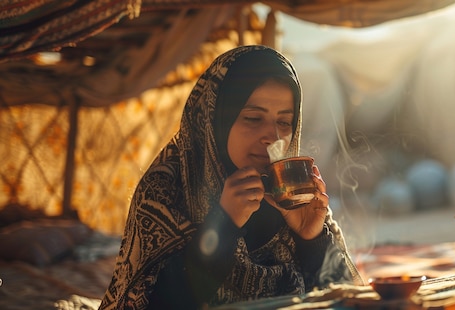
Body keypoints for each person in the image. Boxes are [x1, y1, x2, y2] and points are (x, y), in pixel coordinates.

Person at [98, 45, 364, 310]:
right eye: (252, 118)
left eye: (284, 122)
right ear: (216, 121)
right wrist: (223, 226)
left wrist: (312, 239)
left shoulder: (294, 194)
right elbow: (144, 303)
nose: (271, 137)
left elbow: (348, 300)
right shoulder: (166, 188)